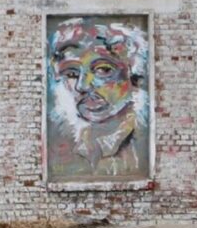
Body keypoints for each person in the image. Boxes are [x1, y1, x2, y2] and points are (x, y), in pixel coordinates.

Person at [46, 18, 150, 180]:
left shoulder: (141, 143)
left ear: (134, 77)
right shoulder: (66, 145)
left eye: (103, 70)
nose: (82, 86)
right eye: (72, 74)